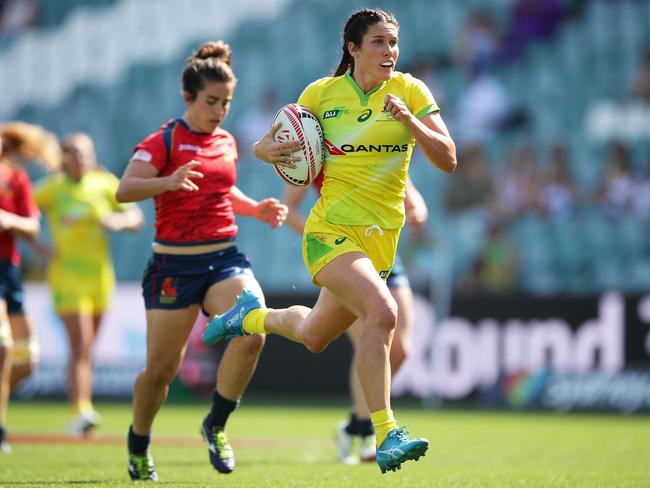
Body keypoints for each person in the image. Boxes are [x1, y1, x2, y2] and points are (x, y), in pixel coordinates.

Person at [203, 8, 456, 474]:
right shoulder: (320, 95)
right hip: (329, 234)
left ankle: (250, 317)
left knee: (314, 336)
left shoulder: (411, 91)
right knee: (384, 314)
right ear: (353, 49)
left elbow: (448, 159)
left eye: (394, 43)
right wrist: (263, 150)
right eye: (379, 42)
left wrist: (412, 123)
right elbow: (269, 145)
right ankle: (385, 433)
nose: (390, 51)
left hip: (382, 242)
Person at [115, 40, 287, 481]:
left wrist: (256, 209)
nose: (219, 111)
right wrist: (168, 180)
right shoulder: (164, 140)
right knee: (160, 373)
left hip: (222, 257)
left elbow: (221, 190)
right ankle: (138, 442)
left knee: (253, 328)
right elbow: (125, 189)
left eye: (226, 103)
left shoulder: (226, 141)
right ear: (188, 97)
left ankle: (216, 423)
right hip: (173, 267)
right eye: (212, 101)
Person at [282, 174, 428, 464]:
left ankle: (352, 427)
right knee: (367, 337)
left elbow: (411, 192)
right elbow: (289, 208)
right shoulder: (324, 140)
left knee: (399, 350)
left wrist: (418, 209)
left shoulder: (380, 137)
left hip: (386, 250)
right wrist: (321, 238)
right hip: (346, 252)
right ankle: (367, 432)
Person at [34, 132, 144, 437]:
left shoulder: (104, 184)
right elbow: (22, 211)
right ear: (64, 158)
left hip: (99, 276)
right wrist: (40, 249)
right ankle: (80, 409)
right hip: (67, 276)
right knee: (80, 344)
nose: (81, 159)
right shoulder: (52, 189)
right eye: (74, 154)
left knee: (87, 349)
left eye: (86, 153)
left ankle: (80, 413)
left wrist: (116, 221)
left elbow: (135, 216)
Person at [0, 121, 61, 454]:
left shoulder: (15, 179)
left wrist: (8, 221)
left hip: (9, 270)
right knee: (2, 344)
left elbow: (34, 228)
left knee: (26, 360)